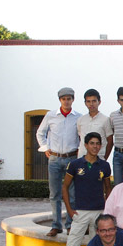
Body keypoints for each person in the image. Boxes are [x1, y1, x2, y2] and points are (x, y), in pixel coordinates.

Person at [44, 132, 112, 246]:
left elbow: (108, 189)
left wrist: (107, 211)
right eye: (92, 143)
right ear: (86, 144)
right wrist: (69, 209)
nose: (95, 146)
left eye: (98, 143)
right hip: (80, 213)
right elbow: (65, 187)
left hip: (98, 214)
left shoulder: (104, 166)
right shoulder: (75, 164)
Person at [36, 87, 81, 236]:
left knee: (72, 193)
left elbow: (82, 137)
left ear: (73, 100)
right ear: (60, 100)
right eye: (64, 99)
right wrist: (45, 148)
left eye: (69, 99)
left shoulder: (78, 117)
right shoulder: (50, 116)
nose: (66, 101)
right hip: (54, 159)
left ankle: (70, 224)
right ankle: (56, 225)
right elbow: (40, 133)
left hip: (71, 158)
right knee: (54, 193)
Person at [76, 88, 113, 160]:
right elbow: (80, 138)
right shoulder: (81, 120)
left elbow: (110, 141)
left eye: (94, 101)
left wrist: (104, 158)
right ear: (85, 103)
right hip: (82, 158)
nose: (91, 104)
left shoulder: (105, 120)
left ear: (99, 102)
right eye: (88, 101)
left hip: (99, 158)